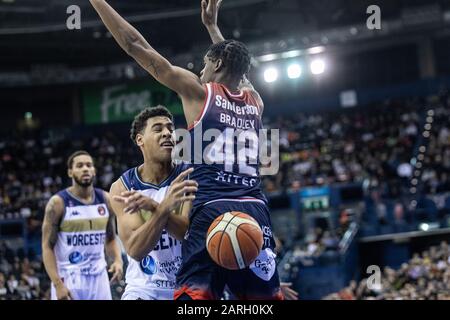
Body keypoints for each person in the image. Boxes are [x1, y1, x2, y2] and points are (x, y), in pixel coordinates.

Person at [90, 0, 282, 299]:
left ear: (216, 65)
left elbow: (135, 45)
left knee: (195, 300)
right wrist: (213, 29)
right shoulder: (255, 102)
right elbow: (239, 72)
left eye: (205, 63)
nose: (201, 70)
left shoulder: (199, 92)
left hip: (212, 210)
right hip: (256, 212)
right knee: (262, 301)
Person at [109, 106, 197, 300]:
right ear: (140, 140)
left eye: (170, 129)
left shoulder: (189, 175)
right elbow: (136, 250)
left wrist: (154, 207)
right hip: (144, 288)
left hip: (187, 285)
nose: (167, 133)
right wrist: (163, 207)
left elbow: (185, 232)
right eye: (158, 129)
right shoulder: (122, 187)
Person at [42, 151, 123, 300]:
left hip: (99, 276)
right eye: (79, 166)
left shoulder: (105, 199)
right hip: (69, 276)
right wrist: (58, 284)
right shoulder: (57, 203)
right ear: (70, 172)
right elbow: (47, 247)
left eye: (89, 165)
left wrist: (118, 260)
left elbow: (111, 238)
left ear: (94, 171)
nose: (85, 169)